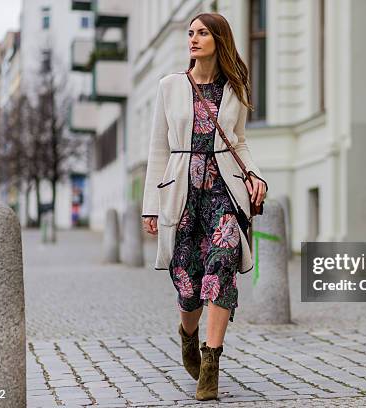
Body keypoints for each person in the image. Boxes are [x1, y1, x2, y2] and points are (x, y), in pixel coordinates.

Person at [140, 12, 267, 401]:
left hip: (223, 191)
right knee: (189, 283)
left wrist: (255, 175)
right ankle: (188, 335)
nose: (193, 39)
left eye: (202, 33)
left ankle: (211, 361)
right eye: (190, 33)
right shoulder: (170, 86)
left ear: (219, 39)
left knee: (221, 264)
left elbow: (239, 142)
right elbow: (158, 148)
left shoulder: (235, 87)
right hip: (182, 191)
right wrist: (150, 206)